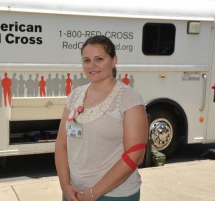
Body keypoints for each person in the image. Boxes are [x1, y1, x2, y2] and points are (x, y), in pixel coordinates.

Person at [55, 35, 148, 201]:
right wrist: (65, 186)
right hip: (74, 194)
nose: (93, 65)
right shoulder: (75, 96)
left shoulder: (129, 98)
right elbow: (61, 145)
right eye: (87, 60)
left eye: (99, 59)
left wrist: (93, 194)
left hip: (114, 195)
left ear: (113, 60)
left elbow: (135, 155)